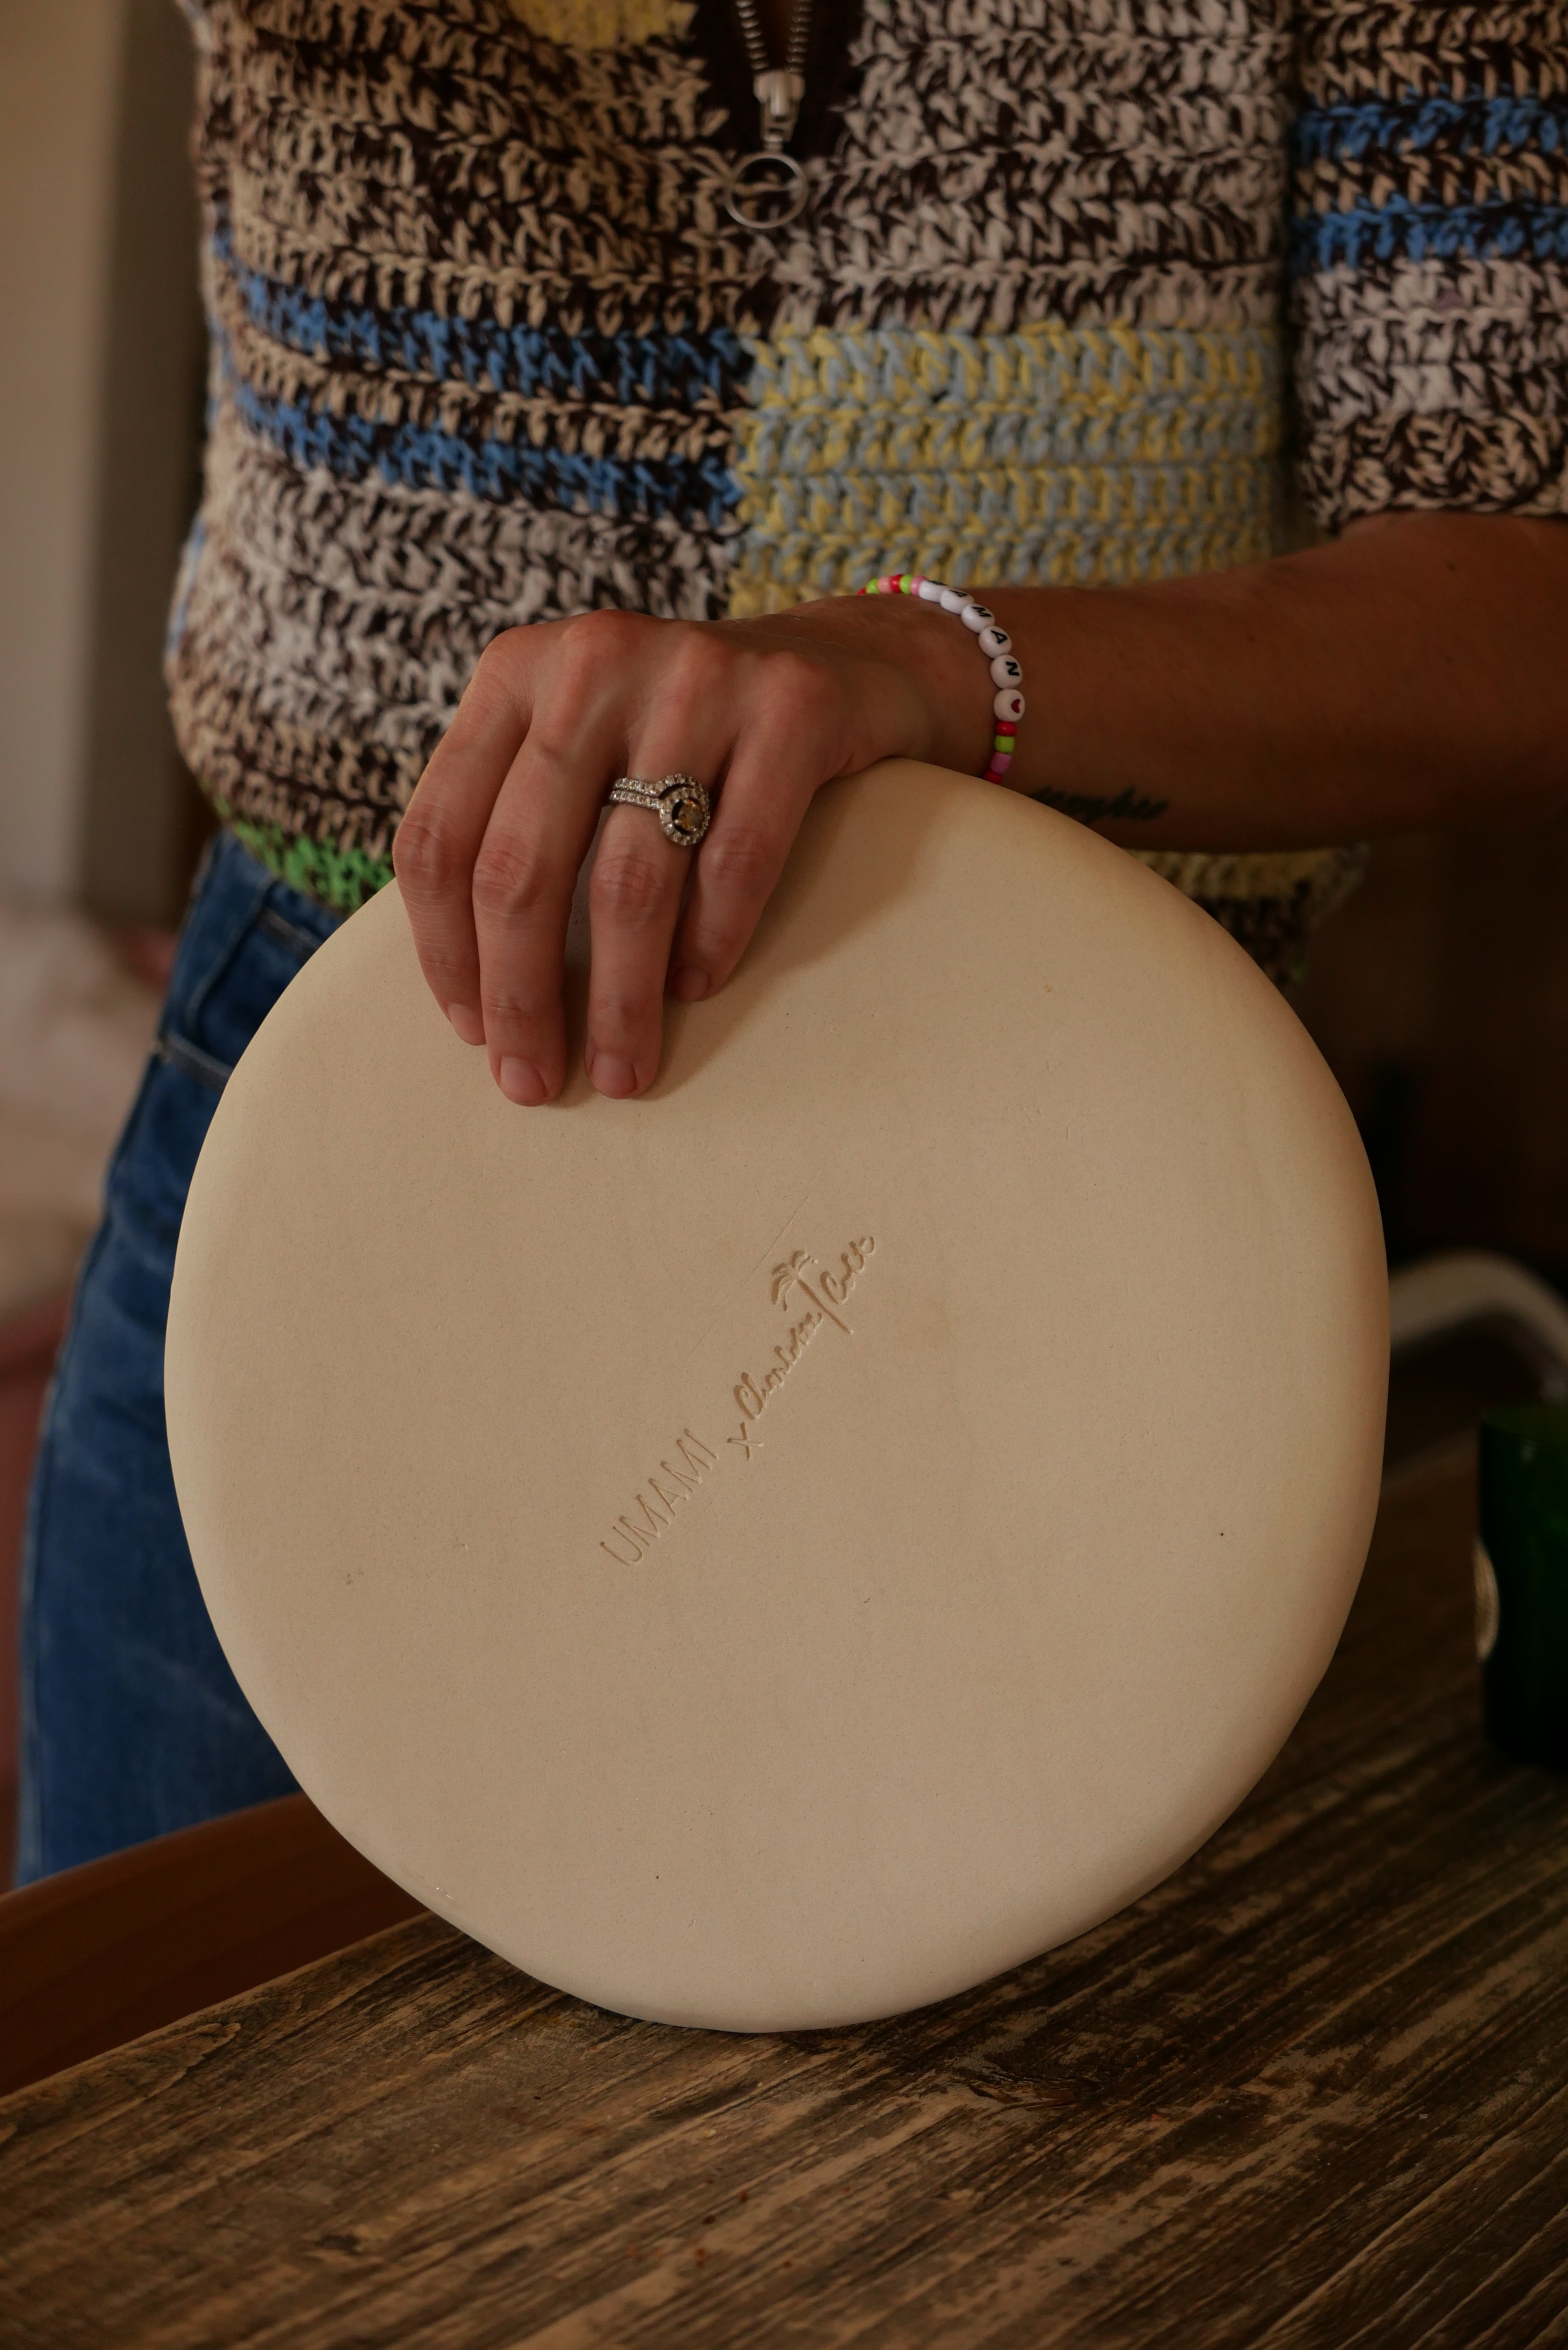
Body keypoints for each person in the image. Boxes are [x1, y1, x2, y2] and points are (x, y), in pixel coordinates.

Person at [16, 0, 1567, 1881]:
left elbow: (1516, 607)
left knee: (940, 2174)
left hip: (1057, 1214)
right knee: (179, 2148)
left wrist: (930, 659)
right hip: (329, 1166)